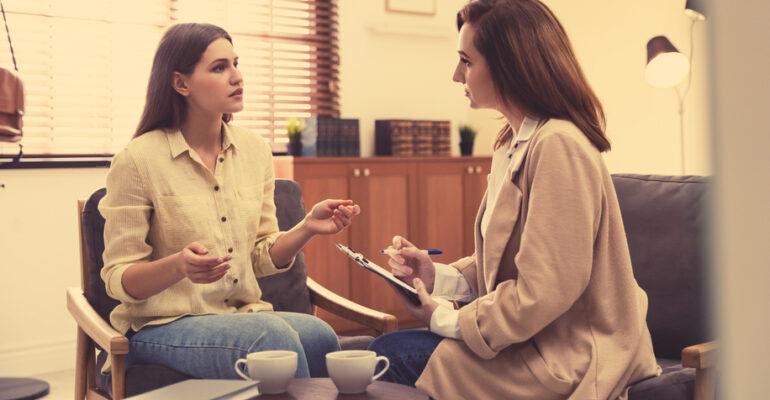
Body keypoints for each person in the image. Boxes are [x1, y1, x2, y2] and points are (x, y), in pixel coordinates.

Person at [368, 1, 661, 399]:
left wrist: (446, 320)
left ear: (509, 65)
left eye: (466, 61)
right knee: (385, 354)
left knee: (385, 356)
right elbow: (509, 258)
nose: (457, 75)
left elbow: (544, 290)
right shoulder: (513, 141)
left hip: (565, 359)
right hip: (527, 344)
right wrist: (439, 277)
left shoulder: (559, 145)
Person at [99, 22, 360, 379]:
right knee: (272, 337)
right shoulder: (137, 160)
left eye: (235, 64)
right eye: (219, 68)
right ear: (181, 83)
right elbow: (118, 278)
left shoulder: (255, 151)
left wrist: (306, 228)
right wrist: (178, 266)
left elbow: (259, 257)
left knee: (319, 335)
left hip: (240, 315)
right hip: (159, 326)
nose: (237, 77)